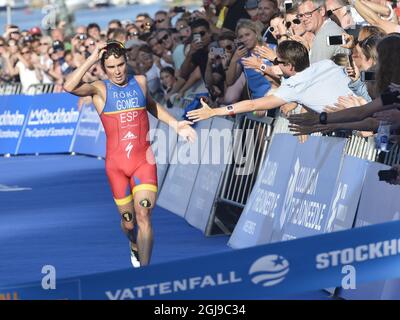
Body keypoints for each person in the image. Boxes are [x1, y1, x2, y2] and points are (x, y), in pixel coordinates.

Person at [63, 40, 196, 268]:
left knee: (143, 214)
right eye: (112, 67)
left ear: (127, 63)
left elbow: (151, 106)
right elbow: (69, 86)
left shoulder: (140, 82)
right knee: (128, 223)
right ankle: (133, 242)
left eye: (121, 65)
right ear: (104, 68)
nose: (117, 71)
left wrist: (176, 125)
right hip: (116, 167)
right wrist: (92, 57)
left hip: (143, 162)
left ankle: (145, 273)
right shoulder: (99, 89)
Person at [187, 40, 354, 121]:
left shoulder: (292, 87)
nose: (276, 65)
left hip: (355, 123)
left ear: (289, 66)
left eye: (278, 62)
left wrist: (215, 111)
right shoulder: (326, 63)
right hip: (367, 109)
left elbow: (252, 104)